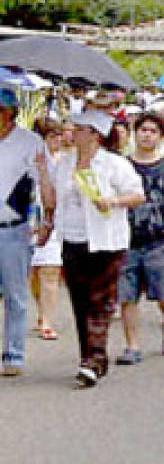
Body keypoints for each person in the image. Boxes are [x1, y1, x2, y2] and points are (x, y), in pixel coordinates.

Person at [39, 110, 145, 388]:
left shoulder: (113, 164)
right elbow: (54, 199)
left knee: (100, 300)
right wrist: (41, 172)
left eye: (80, 130)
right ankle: (90, 356)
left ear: (95, 135)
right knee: (80, 301)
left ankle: (93, 360)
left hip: (105, 241)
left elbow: (137, 194)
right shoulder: (65, 164)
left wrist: (113, 201)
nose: (72, 134)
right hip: (72, 239)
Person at [117, 113, 164, 365]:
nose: (146, 135)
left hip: (158, 240)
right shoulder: (122, 165)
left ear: (161, 137)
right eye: (142, 130)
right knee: (127, 295)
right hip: (126, 240)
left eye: (152, 131)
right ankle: (132, 345)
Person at [0, 88, 43, 377]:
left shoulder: (30, 142)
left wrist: (42, 219)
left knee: (15, 294)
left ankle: (13, 354)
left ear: (11, 113)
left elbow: (41, 184)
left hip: (13, 228)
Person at [30, 117, 65, 342]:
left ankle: (47, 320)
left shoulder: (64, 161)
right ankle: (40, 311)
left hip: (56, 221)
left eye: (59, 135)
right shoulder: (28, 159)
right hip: (29, 220)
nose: (57, 140)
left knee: (50, 270)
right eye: (52, 136)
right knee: (33, 273)